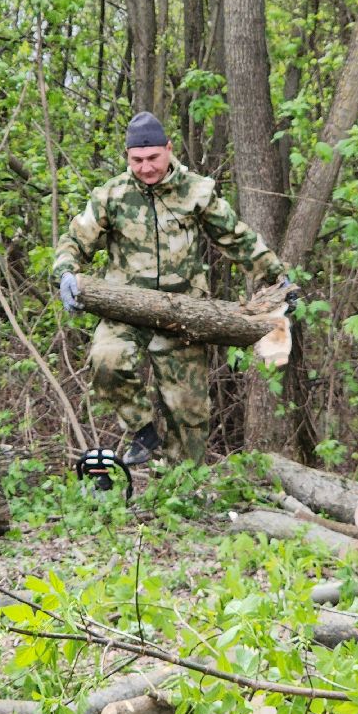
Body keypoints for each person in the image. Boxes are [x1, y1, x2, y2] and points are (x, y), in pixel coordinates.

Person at [53, 111, 288, 465]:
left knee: (189, 412)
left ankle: (183, 491)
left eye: (152, 158)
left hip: (184, 312)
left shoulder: (196, 191)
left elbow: (236, 238)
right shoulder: (111, 196)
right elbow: (75, 240)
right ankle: (143, 432)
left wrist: (277, 276)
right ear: (127, 158)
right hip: (125, 307)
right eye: (137, 160)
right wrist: (66, 273)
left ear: (168, 149)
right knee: (105, 360)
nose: (146, 168)